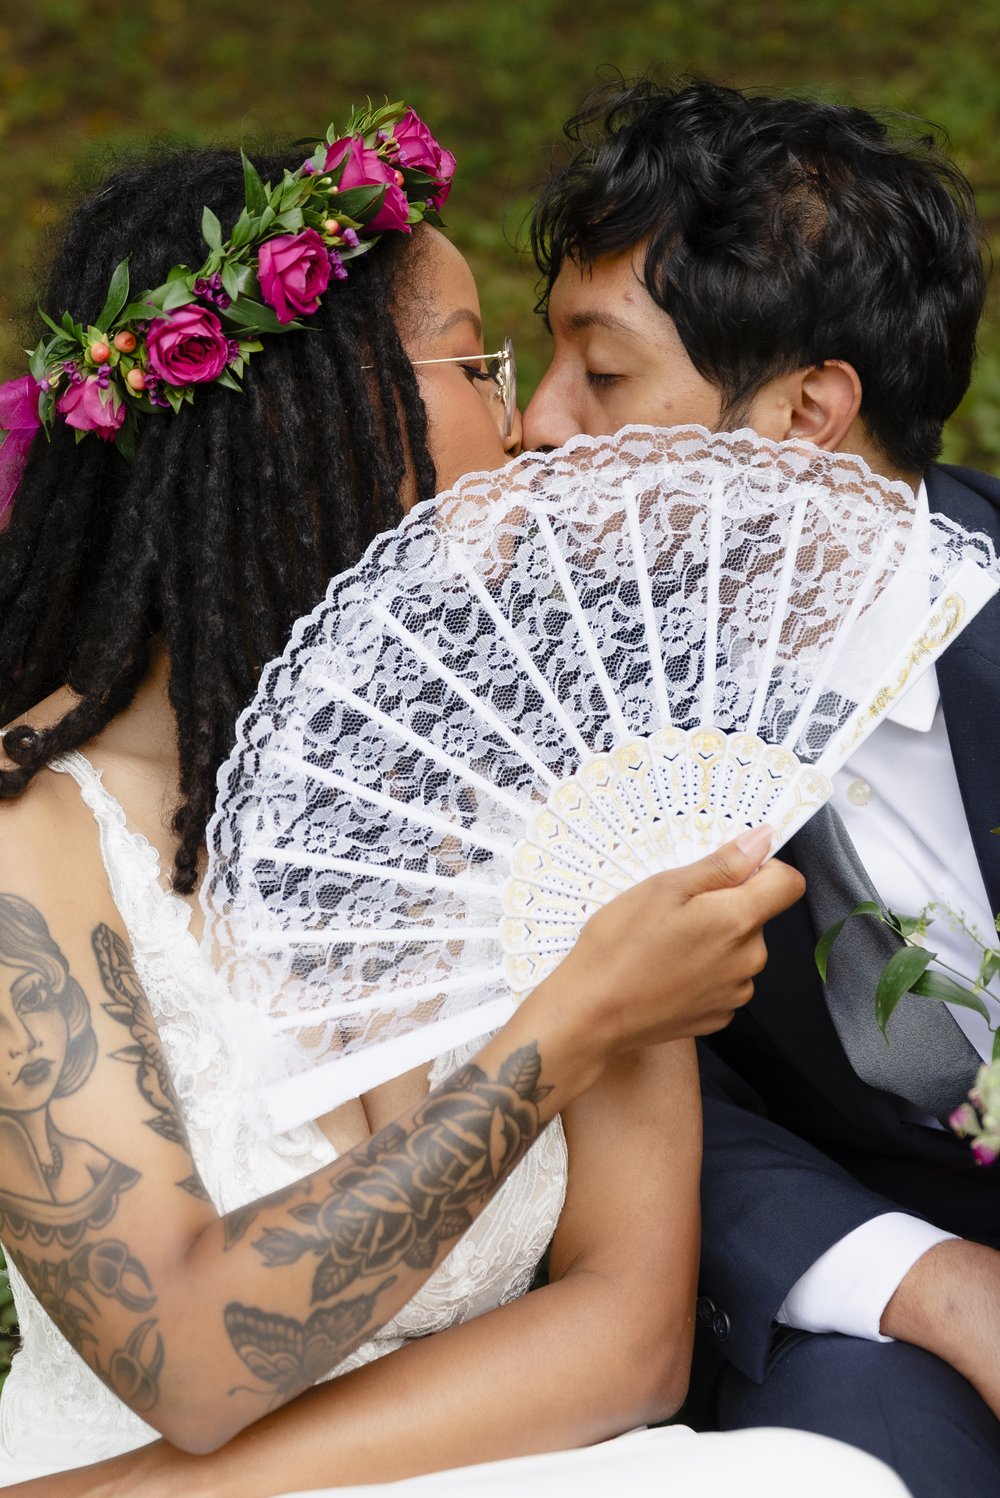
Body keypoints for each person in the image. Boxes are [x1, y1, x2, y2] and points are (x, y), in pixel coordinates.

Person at [0, 104, 905, 1498]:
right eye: (478, 361)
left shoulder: (559, 765)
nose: (531, 424)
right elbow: (184, 1354)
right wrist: (570, 1022)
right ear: (315, 415)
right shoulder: (31, 834)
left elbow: (630, 1333)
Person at [523, 76, 1000, 1498]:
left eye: (601, 376)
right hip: (882, 1277)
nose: (540, 426)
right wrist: (930, 1282)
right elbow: (660, 1098)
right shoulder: (571, 707)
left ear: (806, 411)